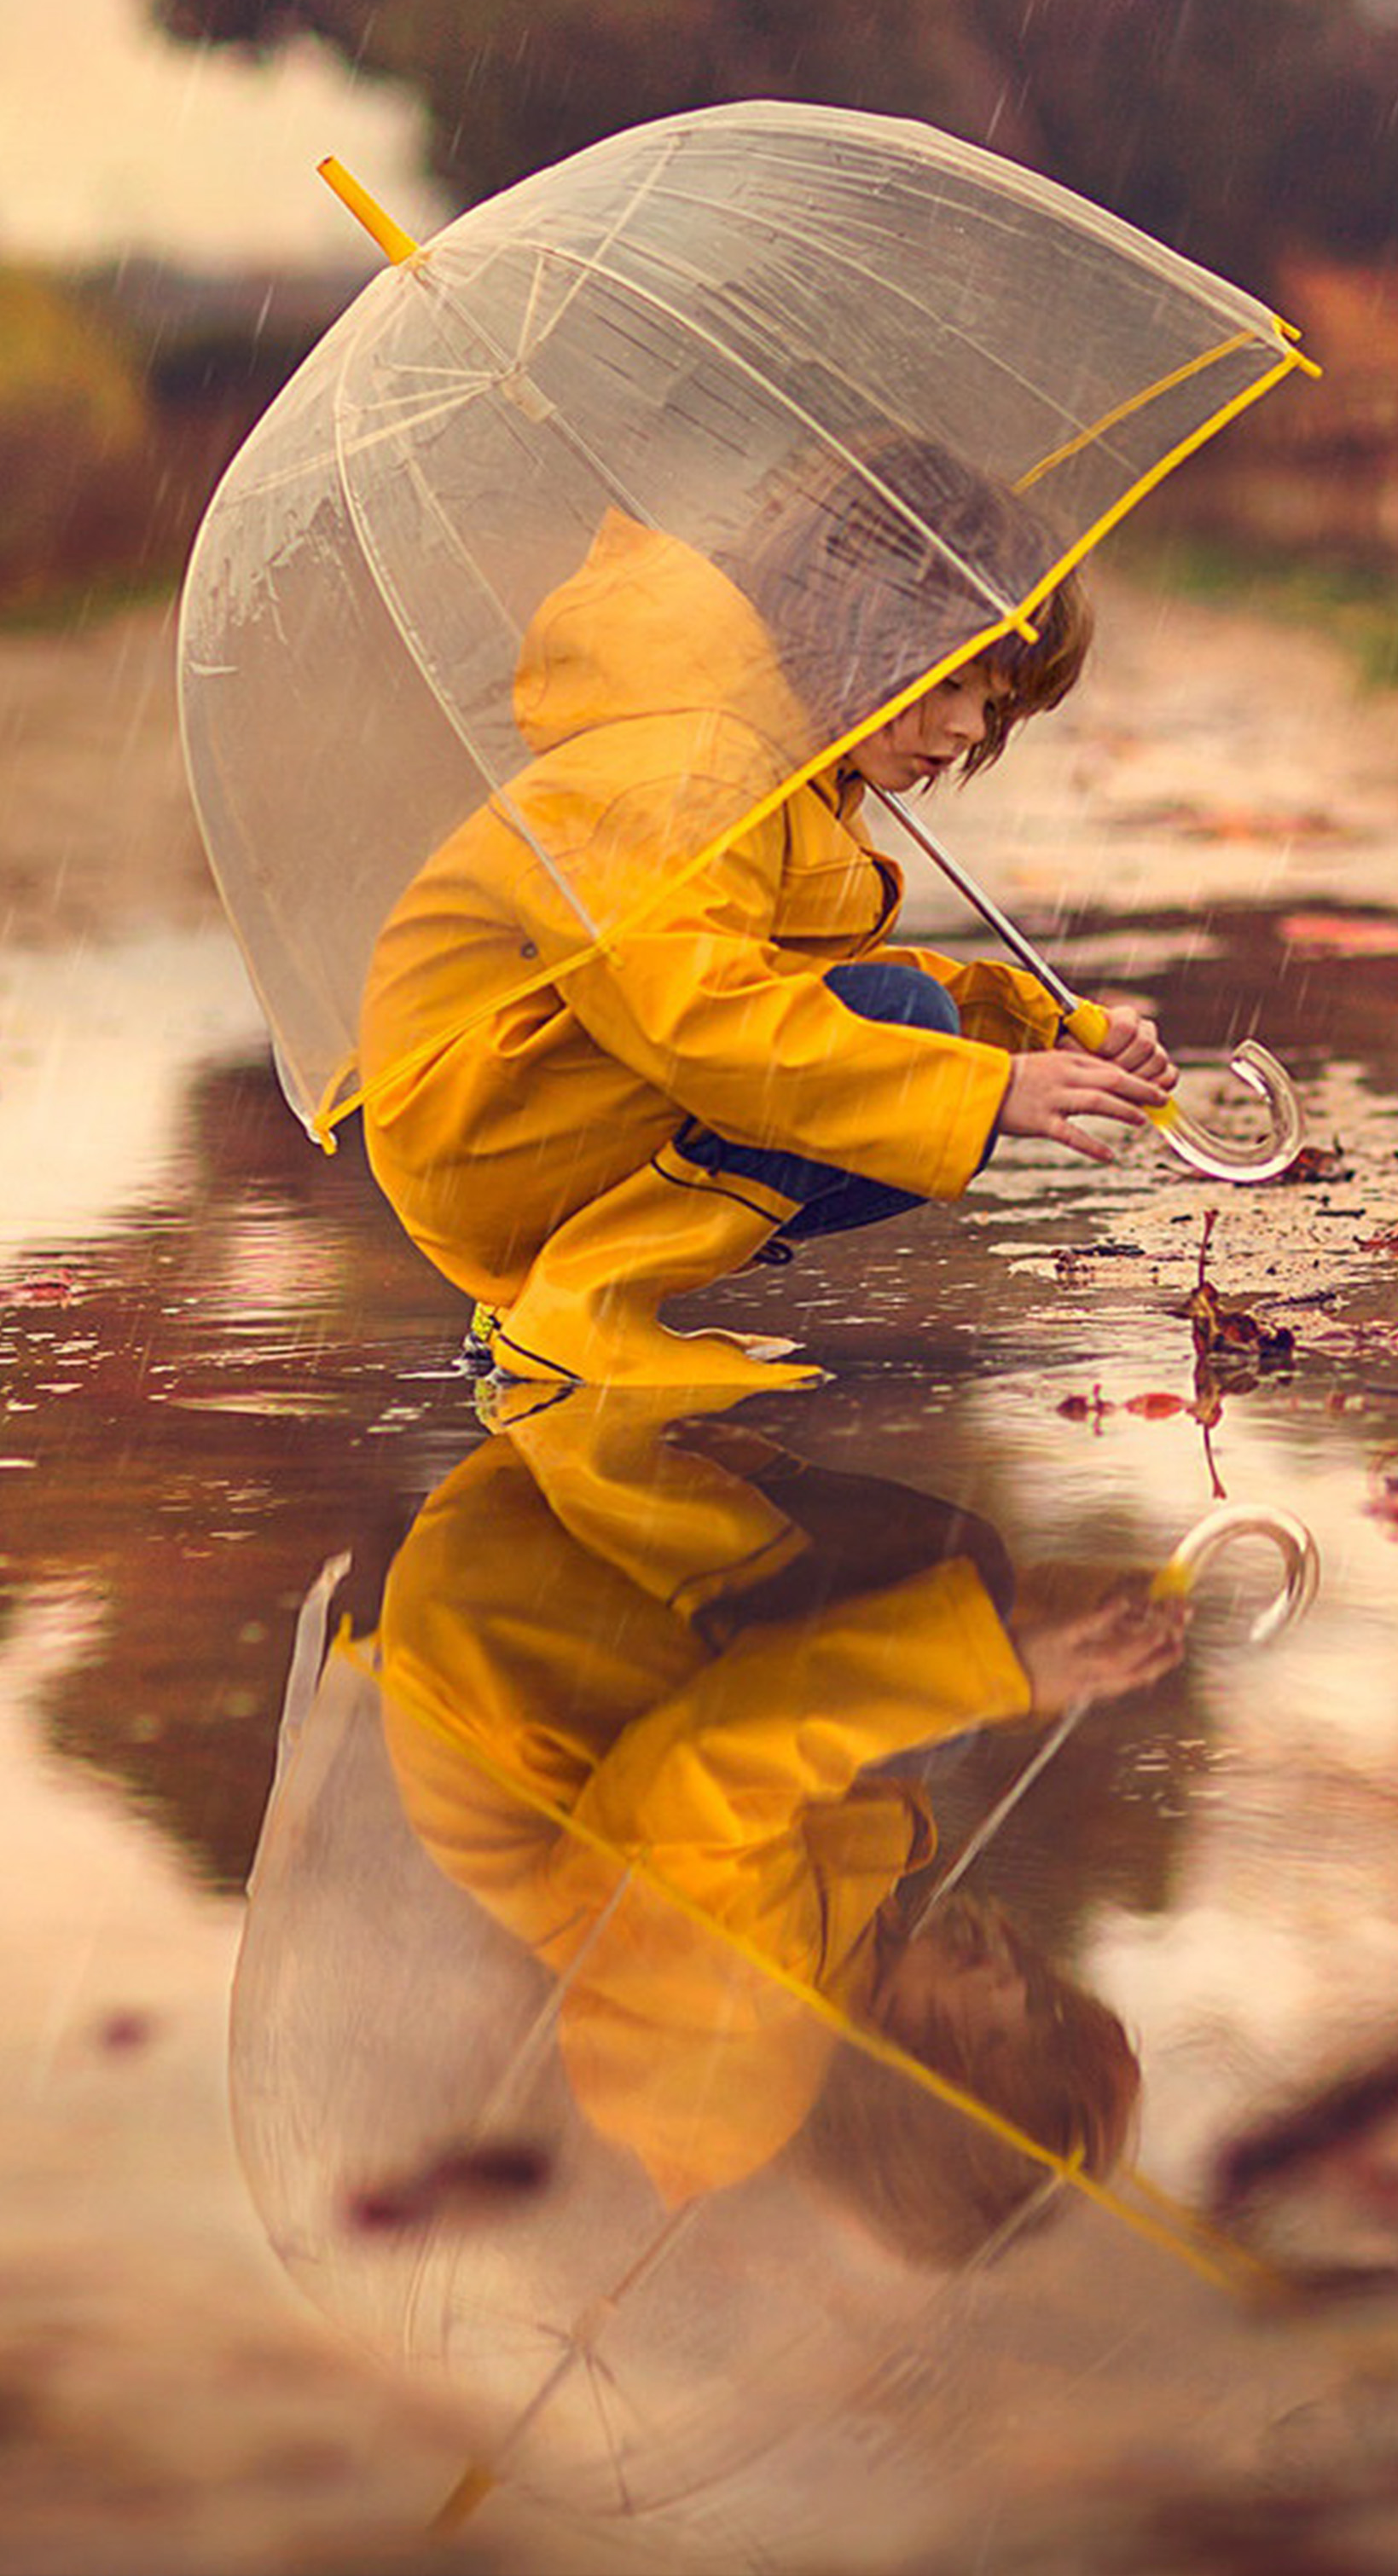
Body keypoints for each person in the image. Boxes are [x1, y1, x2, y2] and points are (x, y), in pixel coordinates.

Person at [358, 437, 1179, 1392]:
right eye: (948, 682)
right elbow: (703, 1020)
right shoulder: (691, 767)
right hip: (489, 1133)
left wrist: (1036, 1029)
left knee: (921, 1045)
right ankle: (580, 1311)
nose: (964, 732)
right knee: (906, 1045)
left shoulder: (790, 761)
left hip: (540, 1108)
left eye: (991, 707)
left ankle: (548, 1296)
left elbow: (780, 982)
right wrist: (983, 1087)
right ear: (855, 622)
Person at [374, 1381, 1186, 2244]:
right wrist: (1055, 1630)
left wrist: (1005, 1660)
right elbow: (844, 1742)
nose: (1010, 1987)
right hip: (537, 1602)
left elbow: (714, 1763)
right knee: (947, 1689)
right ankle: (622, 1448)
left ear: (900, 2107)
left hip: (519, 1614)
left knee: (954, 1610)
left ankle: (609, 1448)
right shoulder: (833, 1964)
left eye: (988, 2043)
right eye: (1039, 2013)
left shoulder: (746, 2015)